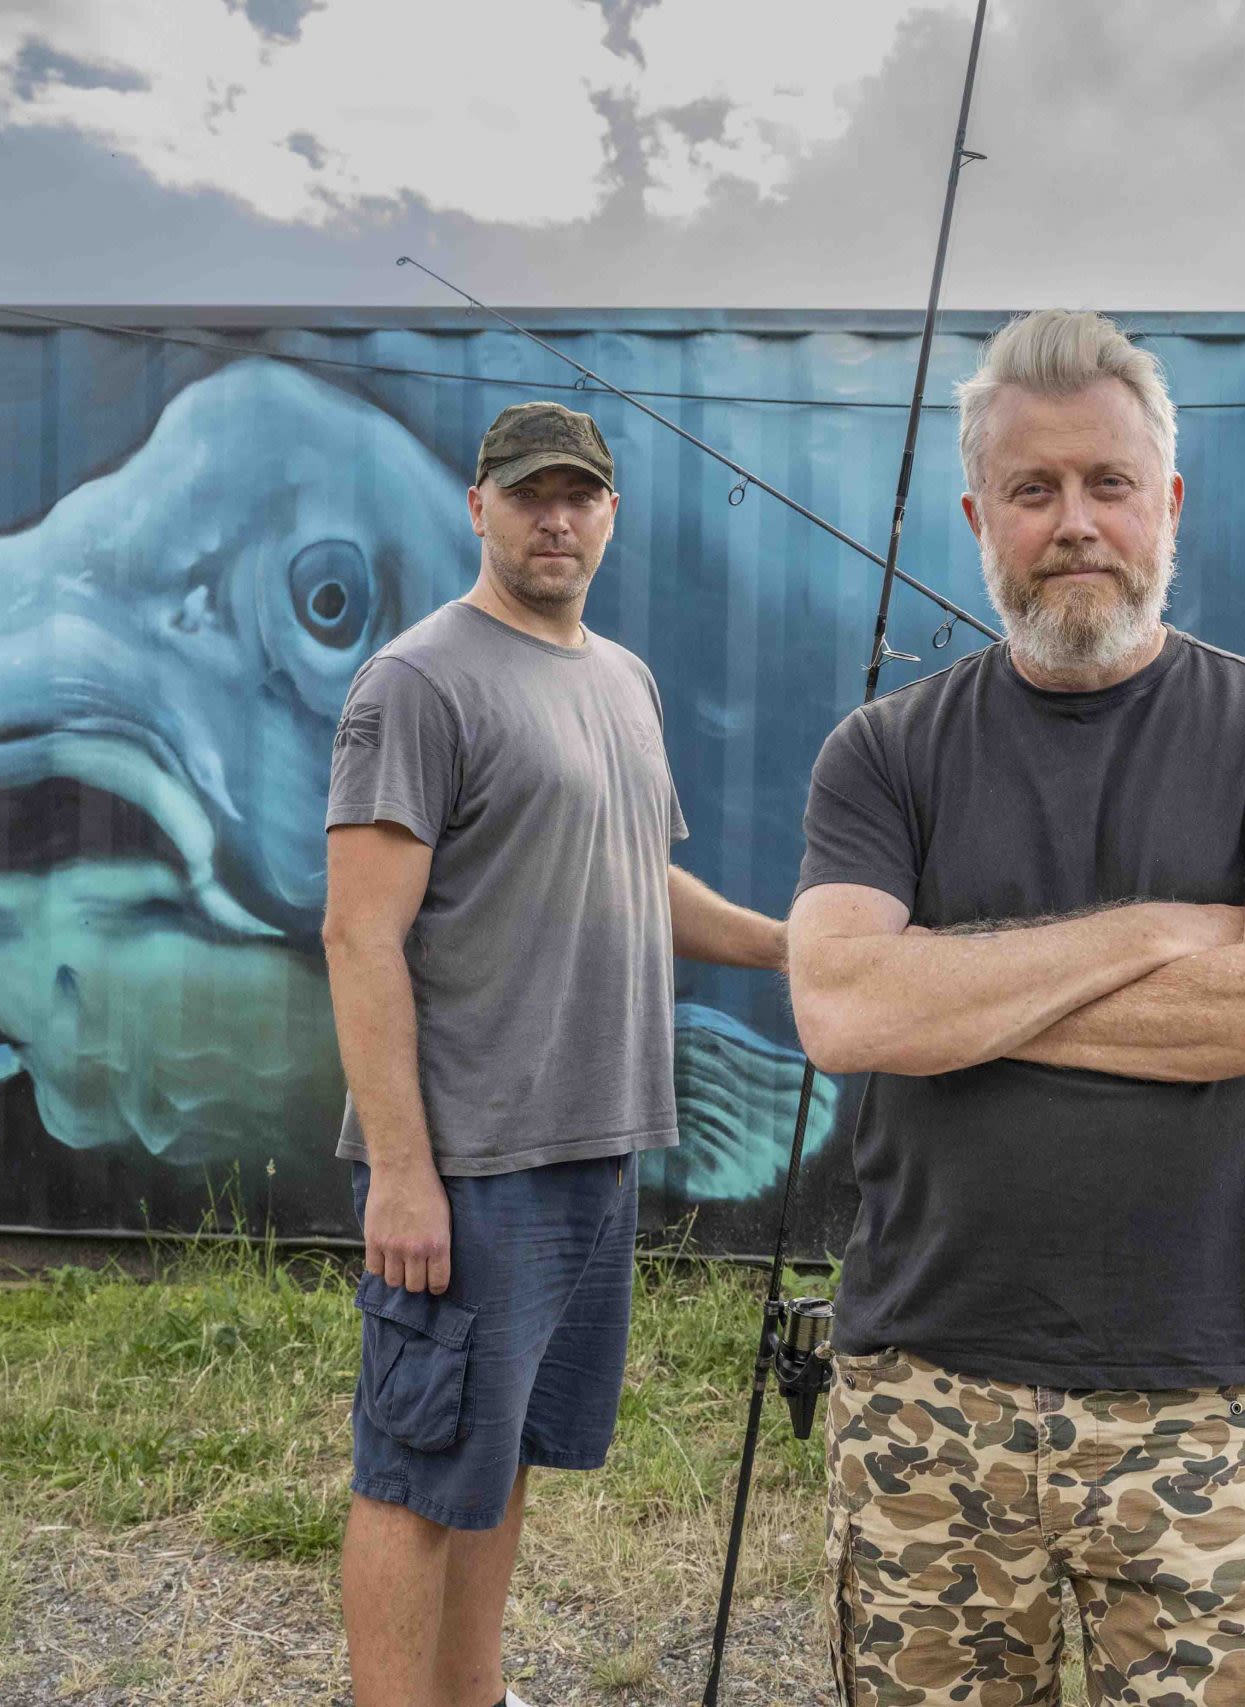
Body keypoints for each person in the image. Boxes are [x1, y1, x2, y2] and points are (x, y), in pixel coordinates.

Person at [787, 309, 1245, 1706]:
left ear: (1165, 503)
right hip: (923, 1390)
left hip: (1193, 1394)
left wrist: (963, 992)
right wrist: (1155, 935)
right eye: (1035, 491)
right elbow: (849, 1014)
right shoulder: (882, 755)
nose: (1075, 523)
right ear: (979, 516)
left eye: (1109, 484)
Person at [321, 401, 784, 1707]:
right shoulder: (418, 681)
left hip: (595, 1147)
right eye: (529, 494)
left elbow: (642, 881)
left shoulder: (621, 682)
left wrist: (795, 948)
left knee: (502, 1458)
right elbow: (359, 937)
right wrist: (402, 1178)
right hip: (471, 1165)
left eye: (580, 495)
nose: (556, 517)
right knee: (414, 1475)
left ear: (612, 515)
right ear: (479, 507)